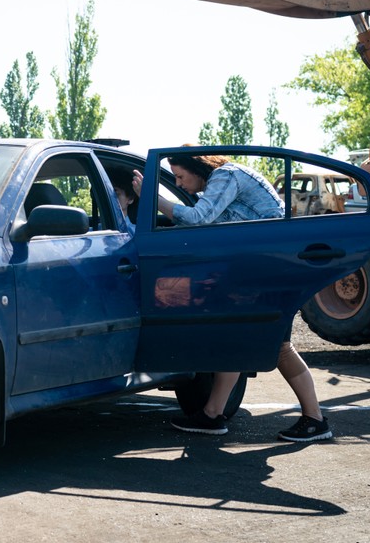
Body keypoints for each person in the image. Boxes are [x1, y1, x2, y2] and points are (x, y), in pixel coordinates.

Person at [133, 149, 333, 443]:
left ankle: (315, 419)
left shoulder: (226, 176)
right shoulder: (219, 185)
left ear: (196, 168)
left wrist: (154, 200)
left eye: (180, 176)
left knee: (280, 347)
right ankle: (212, 414)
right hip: (258, 267)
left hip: (268, 268)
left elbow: (199, 219)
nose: (178, 183)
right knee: (238, 340)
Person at [108, 169, 137, 233]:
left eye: (114, 194)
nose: (109, 197)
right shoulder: (92, 232)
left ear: (130, 199)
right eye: (106, 193)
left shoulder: (134, 233)